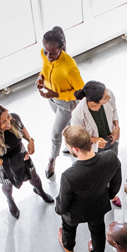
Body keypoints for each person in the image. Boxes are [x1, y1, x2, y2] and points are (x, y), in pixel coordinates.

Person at [55, 126, 122, 252]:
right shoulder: (110, 157)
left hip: (74, 213)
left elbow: (63, 205)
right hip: (98, 206)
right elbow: (116, 182)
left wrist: (59, 209)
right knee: (98, 231)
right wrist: (109, 195)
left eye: (67, 146)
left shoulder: (69, 176)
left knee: (68, 228)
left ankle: (69, 247)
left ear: (76, 149)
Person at [0, 104, 53, 219]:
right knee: (7, 185)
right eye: (3, 122)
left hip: (21, 154)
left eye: (8, 117)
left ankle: (40, 191)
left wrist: (30, 140)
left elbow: (22, 128)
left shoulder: (14, 119)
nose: (8, 122)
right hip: (3, 163)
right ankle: (10, 200)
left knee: (33, 176)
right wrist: (13, 161)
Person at [36, 26, 85, 179]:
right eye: (46, 51)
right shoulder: (45, 54)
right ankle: (71, 144)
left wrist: (56, 93)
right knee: (68, 125)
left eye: (53, 53)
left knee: (56, 133)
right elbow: (45, 68)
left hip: (65, 103)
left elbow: (81, 94)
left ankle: (51, 160)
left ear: (61, 49)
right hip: (51, 98)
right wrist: (41, 77)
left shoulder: (69, 68)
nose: (48, 55)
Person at [71, 81, 122, 208]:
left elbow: (114, 110)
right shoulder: (78, 115)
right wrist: (94, 140)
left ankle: (112, 194)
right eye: (105, 97)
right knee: (98, 173)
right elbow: (77, 136)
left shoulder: (108, 95)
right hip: (94, 148)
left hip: (111, 140)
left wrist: (116, 127)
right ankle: (102, 193)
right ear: (94, 102)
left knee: (112, 166)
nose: (108, 96)